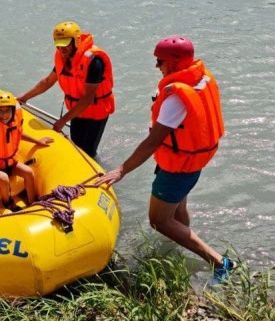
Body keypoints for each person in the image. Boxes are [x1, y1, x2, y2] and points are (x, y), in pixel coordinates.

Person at [92, 36, 234, 283]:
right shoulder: (200, 79)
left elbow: (152, 142)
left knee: (159, 221)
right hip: (192, 161)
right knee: (178, 211)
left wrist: (121, 170)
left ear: (176, 63)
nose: (157, 66)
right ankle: (176, 250)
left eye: (160, 61)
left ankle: (220, 262)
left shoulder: (177, 97)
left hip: (177, 167)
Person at [17, 21, 114, 159]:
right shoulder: (63, 58)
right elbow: (48, 81)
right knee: (75, 145)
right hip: (76, 111)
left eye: (66, 42)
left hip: (96, 112)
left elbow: (87, 99)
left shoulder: (94, 62)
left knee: (88, 151)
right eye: (58, 43)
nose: (62, 48)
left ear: (76, 41)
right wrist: (24, 97)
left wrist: (63, 120)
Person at [0, 90, 53, 211]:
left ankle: (32, 202)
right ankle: (7, 202)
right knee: (3, 178)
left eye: (7, 110)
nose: (4, 115)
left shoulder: (12, 123)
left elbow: (18, 134)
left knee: (28, 172)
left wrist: (37, 141)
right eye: (0, 111)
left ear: (13, 111)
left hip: (7, 162)